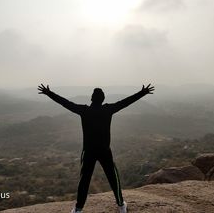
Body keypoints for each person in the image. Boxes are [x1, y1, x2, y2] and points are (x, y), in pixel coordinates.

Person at [38, 83, 155, 213]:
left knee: (84, 181)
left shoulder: (84, 110)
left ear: (91, 99)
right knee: (113, 177)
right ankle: (121, 206)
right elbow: (126, 102)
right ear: (103, 99)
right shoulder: (108, 109)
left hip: (88, 151)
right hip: (105, 151)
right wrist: (142, 92)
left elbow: (65, 103)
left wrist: (49, 93)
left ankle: (78, 209)